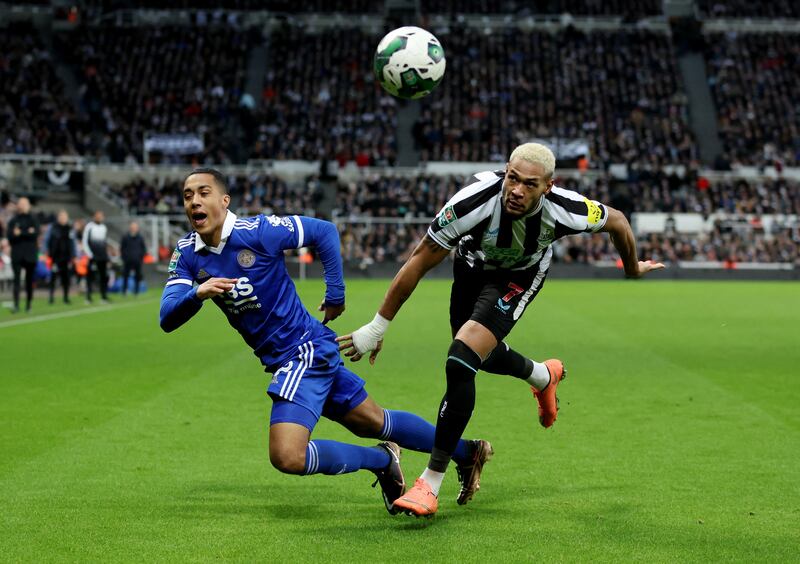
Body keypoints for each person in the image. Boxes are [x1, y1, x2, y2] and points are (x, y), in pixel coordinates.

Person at [338, 143, 666, 517]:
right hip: (471, 270)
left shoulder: (566, 209)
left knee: (460, 358)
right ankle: (542, 375)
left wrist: (631, 268)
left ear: (548, 187)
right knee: (478, 354)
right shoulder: (472, 202)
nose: (517, 190)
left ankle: (429, 483)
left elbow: (618, 221)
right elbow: (418, 261)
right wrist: (377, 326)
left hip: (519, 277)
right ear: (504, 172)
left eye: (529, 184)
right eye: (512, 178)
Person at [159, 168, 493, 514]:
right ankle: (468, 452)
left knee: (288, 455)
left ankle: (380, 458)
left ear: (224, 201)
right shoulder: (187, 254)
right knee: (375, 422)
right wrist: (197, 293)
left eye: (203, 192)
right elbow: (167, 316)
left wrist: (335, 292)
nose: (194, 201)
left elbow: (324, 231)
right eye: (187, 195)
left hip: (303, 351)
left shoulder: (258, 232)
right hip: (301, 353)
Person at [7, 197, 39, 313]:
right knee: (16, 280)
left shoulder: (33, 219)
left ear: (29, 205)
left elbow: (35, 234)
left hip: (30, 254)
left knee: (29, 281)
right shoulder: (13, 220)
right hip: (17, 254)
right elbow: (10, 237)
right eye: (21, 203)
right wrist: (27, 233)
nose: (23, 206)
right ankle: (16, 305)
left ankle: (28, 304)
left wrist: (20, 233)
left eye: (25, 204)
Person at [46, 210, 77, 304]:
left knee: (66, 278)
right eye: (61, 216)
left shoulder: (69, 228)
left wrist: (73, 256)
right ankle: (51, 297)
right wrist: (49, 253)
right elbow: (48, 241)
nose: (63, 219)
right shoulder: (53, 228)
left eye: (65, 217)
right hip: (55, 257)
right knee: (53, 278)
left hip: (66, 258)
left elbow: (72, 243)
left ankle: (66, 297)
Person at [82, 210, 110, 303]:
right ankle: (88, 297)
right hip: (93, 257)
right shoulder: (89, 227)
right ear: (94, 217)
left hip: (102, 257)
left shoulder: (104, 227)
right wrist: (90, 254)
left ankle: (103, 296)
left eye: (101, 216)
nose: (99, 218)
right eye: (98, 216)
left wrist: (107, 255)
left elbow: (104, 242)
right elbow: (85, 241)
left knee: (103, 276)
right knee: (90, 277)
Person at [120, 221, 146, 296]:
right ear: (130, 228)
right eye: (132, 227)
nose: (134, 229)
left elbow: (143, 248)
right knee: (125, 276)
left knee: (137, 276)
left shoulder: (140, 237)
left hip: (137, 260)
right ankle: (124, 291)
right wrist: (124, 257)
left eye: (135, 227)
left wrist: (140, 257)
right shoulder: (125, 237)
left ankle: (136, 291)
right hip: (127, 260)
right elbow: (122, 248)